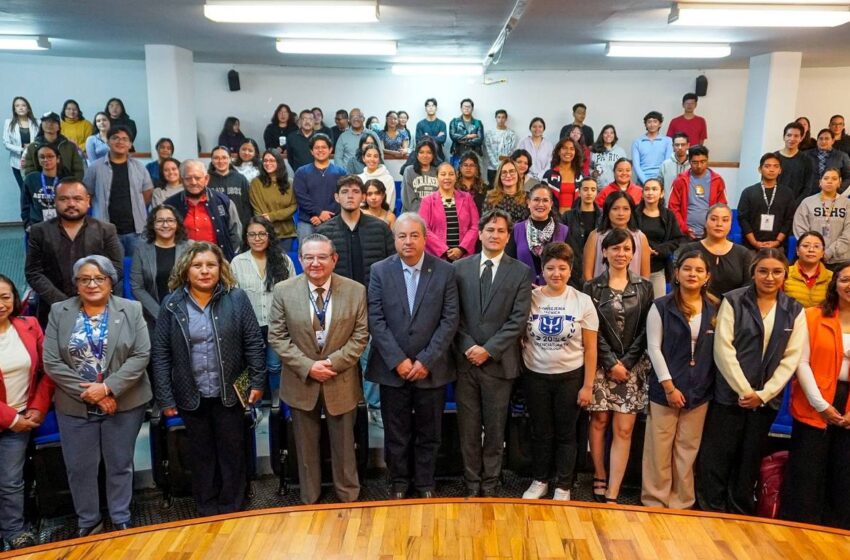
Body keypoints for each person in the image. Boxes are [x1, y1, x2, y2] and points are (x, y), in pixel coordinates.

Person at [151, 242, 266, 516]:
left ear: (220, 268)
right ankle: (207, 506)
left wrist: (258, 382)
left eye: (210, 265)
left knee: (232, 452)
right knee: (201, 454)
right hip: (192, 394)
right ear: (186, 269)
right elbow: (161, 353)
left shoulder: (236, 298)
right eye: (197, 265)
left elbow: (253, 342)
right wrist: (165, 397)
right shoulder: (172, 303)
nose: (204, 271)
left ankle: (233, 505)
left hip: (230, 392)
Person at [43, 255, 151, 536]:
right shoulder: (59, 311)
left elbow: (141, 355)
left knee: (119, 463)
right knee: (80, 468)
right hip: (74, 404)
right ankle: (88, 521)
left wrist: (108, 388)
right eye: (84, 279)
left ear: (110, 282)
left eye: (99, 278)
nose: (92, 284)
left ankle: (120, 516)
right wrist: (92, 393)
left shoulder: (131, 309)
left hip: (124, 401)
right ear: (76, 284)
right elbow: (52, 362)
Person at [697, 249, 805, 514]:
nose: (770, 277)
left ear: (785, 274)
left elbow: (791, 358)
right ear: (753, 272)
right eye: (763, 271)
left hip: (765, 400)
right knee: (718, 457)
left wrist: (764, 394)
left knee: (749, 460)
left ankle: (740, 512)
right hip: (730, 396)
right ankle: (710, 508)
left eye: (776, 271)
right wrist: (745, 390)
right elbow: (723, 349)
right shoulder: (733, 301)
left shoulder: (795, 310)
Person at [267, 234, 368, 504]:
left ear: (334, 259)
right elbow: (277, 337)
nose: (315, 263)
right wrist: (309, 367)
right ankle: (309, 498)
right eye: (308, 257)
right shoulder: (283, 290)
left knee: (345, 446)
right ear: (299, 260)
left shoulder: (356, 290)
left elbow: (360, 336)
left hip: (341, 380)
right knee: (305, 447)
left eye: (322, 256)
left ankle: (348, 495)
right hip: (302, 381)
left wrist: (332, 364)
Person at [367, 213, 459, 498]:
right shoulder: (380, 270)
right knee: (397, 431)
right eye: (401, 236)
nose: (408, 241)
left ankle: (425, 482)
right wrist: (399, 360)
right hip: (391, 369)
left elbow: (449, 319)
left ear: (425, 237)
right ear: (394, 239)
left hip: (431, 369)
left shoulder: (445, 271)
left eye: (413, 235)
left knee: (429, 432)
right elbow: (376, 319)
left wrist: (425, 360)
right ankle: (398, 481)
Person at [453, 209, 531, 497]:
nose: (495, 235)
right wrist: (468, 346)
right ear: (480, 232)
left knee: (496, 430)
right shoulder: (459, 269)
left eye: (501, 231)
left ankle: (491, 482)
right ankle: (472, 482)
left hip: (500, 364)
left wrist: (489, 350)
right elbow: (453, 315)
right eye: (490, 230)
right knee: (468, 429)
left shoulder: (521, 272)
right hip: (465, 362)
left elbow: (518, 319)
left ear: (508, 236)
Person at [641, 251, 718, 510]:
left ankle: (681, 502)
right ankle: (654, 499)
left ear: (707, 276)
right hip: (666, 388)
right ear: (676, 273)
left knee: (688, 449)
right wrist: (668, 385)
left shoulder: (716, 308)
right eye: (687, 269)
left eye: (698, 270)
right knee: (659, 447)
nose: (692, 274)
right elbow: (654, 347)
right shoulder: (661, 306)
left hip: (700, 390)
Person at [520, 241, 596, 501]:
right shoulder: (530, 298)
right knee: (540, 431)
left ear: (570, 269)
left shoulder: (583, 301)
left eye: (562, 268)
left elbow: (591, 349)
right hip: (535, 376)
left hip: (570, 377)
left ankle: (563, 485)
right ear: (542, 270)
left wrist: (587, 386)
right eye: (550, 268)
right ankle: (540, 479)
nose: (556, 274)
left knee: (566, 434)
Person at [584, 228, 654, 503]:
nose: (620, 254)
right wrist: (610, 361)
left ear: (633, 253)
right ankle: (599, 474)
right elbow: (591, 330)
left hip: (632, 368)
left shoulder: (644, 287)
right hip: (600, 365)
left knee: (624, 429)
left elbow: (647, 329)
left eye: (626, 249)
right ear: (604, 252)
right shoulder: (591, 287)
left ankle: (614, 488)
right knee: (599, 421)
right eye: (615, 248)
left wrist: (626, 362)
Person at [780, 263, 850, 528]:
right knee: (807, 469)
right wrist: (821, 404)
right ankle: (799, 528)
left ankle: (838, 528)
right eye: (845, 279)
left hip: (848, 404)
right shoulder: (811, 315)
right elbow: (801, 362)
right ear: (834, 283)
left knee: (843, 471)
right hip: (815, 401)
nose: (849, 285)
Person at [25, 178, 123, 327]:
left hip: (99, 307)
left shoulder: (106, 230)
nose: (71, 204)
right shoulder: (39, 231)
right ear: (55, 201)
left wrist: (91, 294)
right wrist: (63, 303)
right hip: (54, 309)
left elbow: (116, 267)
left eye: (77, 199)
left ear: (88, 201)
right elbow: (33, 272)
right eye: (64, 199)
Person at [0, 274, 53, 550]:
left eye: (5, 297)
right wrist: (11, 419)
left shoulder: (29, 325)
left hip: (22, 418)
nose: (0, 303)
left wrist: (36, 408)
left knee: (11, 481)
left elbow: (48, 371)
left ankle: (13, 531)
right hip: (11, 419)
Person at [231, 217, 295, 407]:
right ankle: (252, 408)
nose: (257, 238)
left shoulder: (283, 260)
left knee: (275, 366)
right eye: (252, 234)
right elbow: (232, 296)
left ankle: (278, 404)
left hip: (278, 324)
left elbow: (293, 291)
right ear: (246, 237)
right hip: (248, 326)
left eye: (261, 234)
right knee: (251, 368)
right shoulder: (237, 262)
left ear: (269, 236)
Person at [83, 125, 154, 257]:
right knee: (112, 273)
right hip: (106, 232)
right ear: (108, 141)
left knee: (139, 272)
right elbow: (87, 195)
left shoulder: (139, 167)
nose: (120, 142)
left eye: (124, 139)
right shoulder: (95, 168)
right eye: (115, 138)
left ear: (130, 144)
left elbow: (147, 193)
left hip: (136, 232)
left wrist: (136, 206)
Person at [317, 175, 395, 288]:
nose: (350, 196)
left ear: (363, 197)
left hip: (374, 297)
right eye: (344, 192)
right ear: (337, 197)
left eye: (355, 191)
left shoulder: (381, 228)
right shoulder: (324, 232)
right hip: (338, 296)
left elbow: (392, 264)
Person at [164, 160, 242, 260]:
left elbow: (236, 235)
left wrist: (229, 260)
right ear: (182, 180)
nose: (193, 182)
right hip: (183, 264)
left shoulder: (223, 202)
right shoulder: (170, 205)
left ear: (206, 179)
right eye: (188, 178)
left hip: (217, 263)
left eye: (197, 178)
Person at [130, 205, 190, 329]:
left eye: (170, 220)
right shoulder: (141, 250)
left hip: (187, 313)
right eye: (160, 221)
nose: (165, 225)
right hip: (152, 316)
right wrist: (160, 314)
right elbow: (137, 287)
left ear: (177, 223)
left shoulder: (190, 248)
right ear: (152, 224)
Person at [680, 204, 753, 299]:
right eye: (714, 219)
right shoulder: (690, 250)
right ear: (706, 223)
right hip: (695, 307)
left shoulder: (743, 253)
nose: (719, 224)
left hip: (732, 308)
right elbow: (681, 282)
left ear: (731, 224)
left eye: (725, 220)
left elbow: (748, 287)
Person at [506, 183, 567, 286]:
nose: (540, 204)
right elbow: (508, 264)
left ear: (551, 204)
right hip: (522, 292)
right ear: (528, 203)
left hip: (554, 293)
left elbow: (571, 266)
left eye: (545, 200)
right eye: (536, 200)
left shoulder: (564, 231)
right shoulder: (517, 229)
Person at [582, 191, 651, 281]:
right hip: (599, 292)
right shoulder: (595, 236)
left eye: (626, 209)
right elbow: (587, 273)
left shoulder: (640, 237)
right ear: (607, 211)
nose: (621, 213)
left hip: (633, 292)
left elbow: (645, 275)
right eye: (615, 209)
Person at [635, 178, 686, 297]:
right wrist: (643, 248)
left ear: (662, 193)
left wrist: (657, 250)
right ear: (642, 193)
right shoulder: (634, 213)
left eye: (654, 189)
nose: (650, 192)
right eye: (646, 189)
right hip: (634, 267)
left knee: (657, 306)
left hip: (658, 267)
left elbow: (676, 239)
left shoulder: (668, 215)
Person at [420, 162, 480, 261]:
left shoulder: (467, 198)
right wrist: (444, 250)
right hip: (437, 257)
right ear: (436, 177)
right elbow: (424, 229)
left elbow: (475, 225)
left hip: (463, 257)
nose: (447, 177)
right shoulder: (427, 201)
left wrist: (461, 249)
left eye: (451, 174)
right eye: (443, 174)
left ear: (456, 177)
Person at [794, 168, 850, 270]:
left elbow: (848, 234)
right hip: (811, 258)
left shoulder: (847, 204)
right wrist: (814, 250)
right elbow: (800, 230)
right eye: (826, 178)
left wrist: (830, 252)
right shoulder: (807, 202)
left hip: (841, 260)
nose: (829, 181)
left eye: (834, 179)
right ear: (820, 182)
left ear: (839, 182)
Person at [737, 153, 795, 251]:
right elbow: (743, 219)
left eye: (776, 166)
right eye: (767, 166)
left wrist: (777, 242)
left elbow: (789, 220)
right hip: (751, 247)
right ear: (760, 169)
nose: (771, 170)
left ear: (780, 170)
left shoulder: (787, 193)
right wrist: (754, 242)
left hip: (778, 246)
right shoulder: (748, 192)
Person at [293, 134, 346, 241]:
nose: (320, 150)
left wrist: (327, 216)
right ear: (311, 151)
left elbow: (343, 196)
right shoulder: (301, 172)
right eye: (317, 148)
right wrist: (318, 213)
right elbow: (301, 197)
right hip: (308, 221)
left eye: (324, 147)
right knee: (306, 253)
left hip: (334, 220)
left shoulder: (340, 172)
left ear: (330, 149)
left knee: (334, 253)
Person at [668, 145, 728, 239]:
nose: (699, 166)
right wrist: (684, 228)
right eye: (695, 162)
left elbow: (722, 207)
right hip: (684, 234)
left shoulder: (717, 180)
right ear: (689, 162)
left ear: (707, 160)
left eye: (703, 162)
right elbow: (673, 207)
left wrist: (712, 228)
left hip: (711, 234)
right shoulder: (680, 180)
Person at [249, 149, 297, 252]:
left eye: (271, 160)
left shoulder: (290, 183)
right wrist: (266, 221)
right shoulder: (256, 183)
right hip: (264, 233)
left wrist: (271, 216)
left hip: (286, 234)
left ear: (279, 162)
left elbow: (293, 207)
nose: (267, 163)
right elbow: (258, 209)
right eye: (265, 161)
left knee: (283, 265)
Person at [22, 112, 85, 180]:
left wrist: (71, 185)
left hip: (66, 185)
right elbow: (29, 170)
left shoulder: (70, 146)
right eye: (46, 121)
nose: (49, 124)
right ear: (41, 125)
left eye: (53, 122)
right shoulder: (32, 147)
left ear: (59, 126)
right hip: (41, 187)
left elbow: (78, 170)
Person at [562, 177, 601, 288]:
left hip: (598, 266)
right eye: (585, 189)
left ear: (597, 192)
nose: (589, 193)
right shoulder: (568, 216)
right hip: (574, 268)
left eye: (593, 189)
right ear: (579, 192)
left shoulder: (603, 216)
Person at [207, 146, 252, 233]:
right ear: (212, 160)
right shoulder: (206, 180)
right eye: (216, 158)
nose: (220, 161)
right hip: (215, 227)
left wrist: (246, 226)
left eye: (224, 157)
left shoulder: (240, 179)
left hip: (239, 227)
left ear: (230, 159)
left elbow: (247, 205)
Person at [784, 231, 833, 308]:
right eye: (806, 246)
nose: (811, 250)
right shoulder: (784, 273)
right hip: (791, 319)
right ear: (797, 251)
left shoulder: (832, 278)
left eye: (816, 246)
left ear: (823, 252)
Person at [20, 145, 61, 230]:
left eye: (50, 156)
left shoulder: (65, 181)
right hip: (36, 226)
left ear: (58, 159)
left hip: (60, 227)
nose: (46, 160)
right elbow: (25, 205)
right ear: (38, 160)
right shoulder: (31, 179)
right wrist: (27, 224)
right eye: (42, 157)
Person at [3, 96, 39, 192]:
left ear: (28, 108)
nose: (21, 108)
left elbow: (41, 141)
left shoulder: (37, 122)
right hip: (17, 162)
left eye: (23, 105)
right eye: (17, 106)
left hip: (34, 162)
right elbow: (6, 143)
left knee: (35, 190)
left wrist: (31, 147)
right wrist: (22, 148)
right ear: (14, 109)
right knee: (24, 190)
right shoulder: (8, 122)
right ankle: (26, 207)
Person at [482, 159, 530, 225]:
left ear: (518, 175)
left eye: (512, 171)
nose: (508, 175)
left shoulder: (527, 197)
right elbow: (485, 224)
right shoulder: (491, 197)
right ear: (499, 176)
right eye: (504, 172)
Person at [776, 122, 814, 205]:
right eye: (789, 135)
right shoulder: (774, 158)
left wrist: (794, 204)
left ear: (801, 138)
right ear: (784, 137)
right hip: (773, 204)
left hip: (796, 207)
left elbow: (807, 188)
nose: (792, 139)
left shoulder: (807, 160)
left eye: (796, 136)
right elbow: (766, 183)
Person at [632, 111, 673, 186]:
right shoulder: (637, 142)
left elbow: (667, 164)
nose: (652, 124)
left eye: (655, 121)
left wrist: (658, 182)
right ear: (646, 125)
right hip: (642, 181)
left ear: (660, 124)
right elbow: (636, 165)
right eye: (649, 122)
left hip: (661, 180)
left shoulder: (668, 141)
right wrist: (646, 181)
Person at [543, 137, 584, 211]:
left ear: (575, 152)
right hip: (554, 217)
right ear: (558, 152)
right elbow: (542, 199)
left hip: (574, 219)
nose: (568, 151)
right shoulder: (549, 175)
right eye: (564, 148)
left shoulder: (580, 176)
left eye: (572, 149)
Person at [805, 128, 850, 194]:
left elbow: (848, 177)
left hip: (833, 195)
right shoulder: (806, 155)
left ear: (833, 141)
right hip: (809, 195)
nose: (823, 141)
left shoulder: (842, 156)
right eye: (820, 138)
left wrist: (839, 189)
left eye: (827, 139)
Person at [401, 138, 439, 212]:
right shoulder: (409, 171)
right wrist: (423, 215)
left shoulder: (438, 172)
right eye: (421, 152)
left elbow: (439, 199)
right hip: (413, 216)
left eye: (429, 152)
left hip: (433, 215)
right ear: (417, 155)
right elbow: (408, 200)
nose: (425, 155)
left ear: (433, 155)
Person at [357, 143, 396, 211]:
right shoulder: (359, 179)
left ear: (379, 159)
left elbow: (389, 205)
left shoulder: (388, 179)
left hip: (383, 217)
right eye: (369, 156)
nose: (372, 159)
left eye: (375, 156)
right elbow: (358, 204)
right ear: (363, 158)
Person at [484, 109, 518, 185]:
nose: (501, 119)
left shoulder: (511, 134)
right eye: (499, 117)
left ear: (506, 119)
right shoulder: (489, 133)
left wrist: (502, 164)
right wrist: (496, 165)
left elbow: (511, 150)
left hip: (506, 167)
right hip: (492, 168)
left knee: (505, 188)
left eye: (503, 117)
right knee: (492, 189)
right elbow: (488, 150)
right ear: (495, 118)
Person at [590, 125, 627, 189]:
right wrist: (593, 173)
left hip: (616, 188)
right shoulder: (595, 151)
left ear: (614, 135)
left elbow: (625, 170)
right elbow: (590, 168)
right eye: (606, 133)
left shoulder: (620, 151)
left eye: (611, 133)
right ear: (602, 135)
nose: (608, 135)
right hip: (598, 189)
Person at [449, 98, 484, 165]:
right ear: (461, 108)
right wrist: (467, 136)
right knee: (457, 174)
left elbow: (480, 139)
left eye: (469, 107)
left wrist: (463, 141)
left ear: (472, 109)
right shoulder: (454, 121)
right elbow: (453, 136)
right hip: (458, 153)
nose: (466, 108)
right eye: (464, 106)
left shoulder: (478, 123)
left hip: (474, 154)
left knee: (474, 175)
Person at [517, 117, 554, 182]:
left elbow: (550, 163)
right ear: (530, 128)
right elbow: (518, 160)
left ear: (543, 129)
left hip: (544, 178)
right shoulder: (523, 142)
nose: (537, 129)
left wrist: (540, 175)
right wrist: (527, 175)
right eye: (534, 126)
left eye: (540, 127)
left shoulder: (549, 144)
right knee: (528, 191)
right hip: (525, 177)